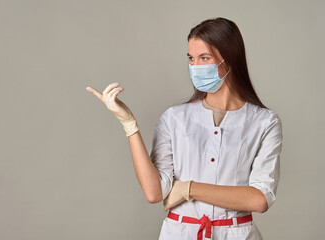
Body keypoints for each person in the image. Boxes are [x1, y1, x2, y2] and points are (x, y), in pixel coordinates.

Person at [86, 17, 283, 240]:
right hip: (180, 233)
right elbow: (154, 192)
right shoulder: (175, 118)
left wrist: (188, 188)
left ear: (229, 61)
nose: (195, 67)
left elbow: (259, 199)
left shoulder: (265, 122)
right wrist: (129, 123)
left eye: (205, 58)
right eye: (191, 58)